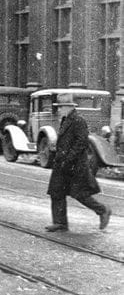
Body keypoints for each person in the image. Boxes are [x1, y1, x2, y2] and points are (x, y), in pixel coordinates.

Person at [46, 99, 112, 232]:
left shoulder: (78, 120)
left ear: (68, 107)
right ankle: (60, 223)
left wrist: (68, 158)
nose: (58, 110)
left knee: (80, 193)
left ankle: (103, 210)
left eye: (60, 107)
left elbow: (82, 142)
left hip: (74, 165)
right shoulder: (66, 120)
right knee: (56, 192)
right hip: (62, 163)